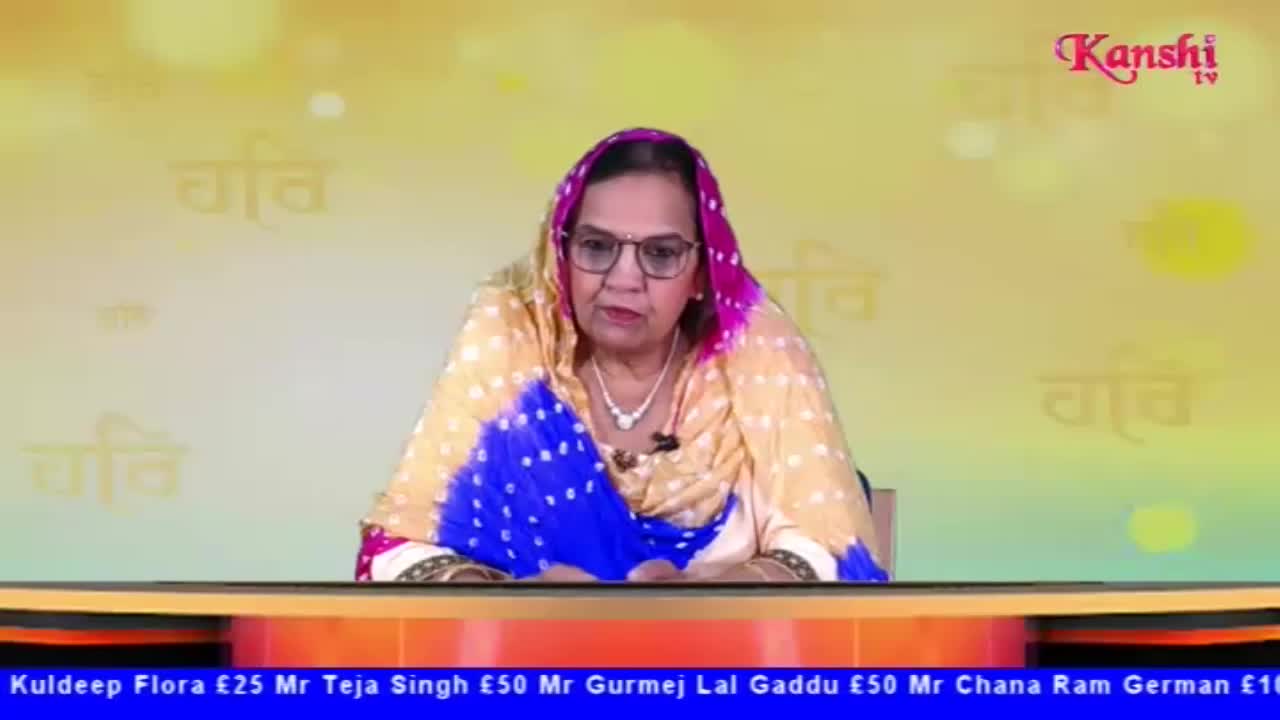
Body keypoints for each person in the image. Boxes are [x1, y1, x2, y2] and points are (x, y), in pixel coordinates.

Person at [355, 128, 888, 583]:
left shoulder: (755, 352)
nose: (623, 279)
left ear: (703, 273)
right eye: (596, 246)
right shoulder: (512, 335)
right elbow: (400, 548)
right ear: (560, 253)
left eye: (660, 253)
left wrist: (716, 599)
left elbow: (830, 545)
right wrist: (510, 603)